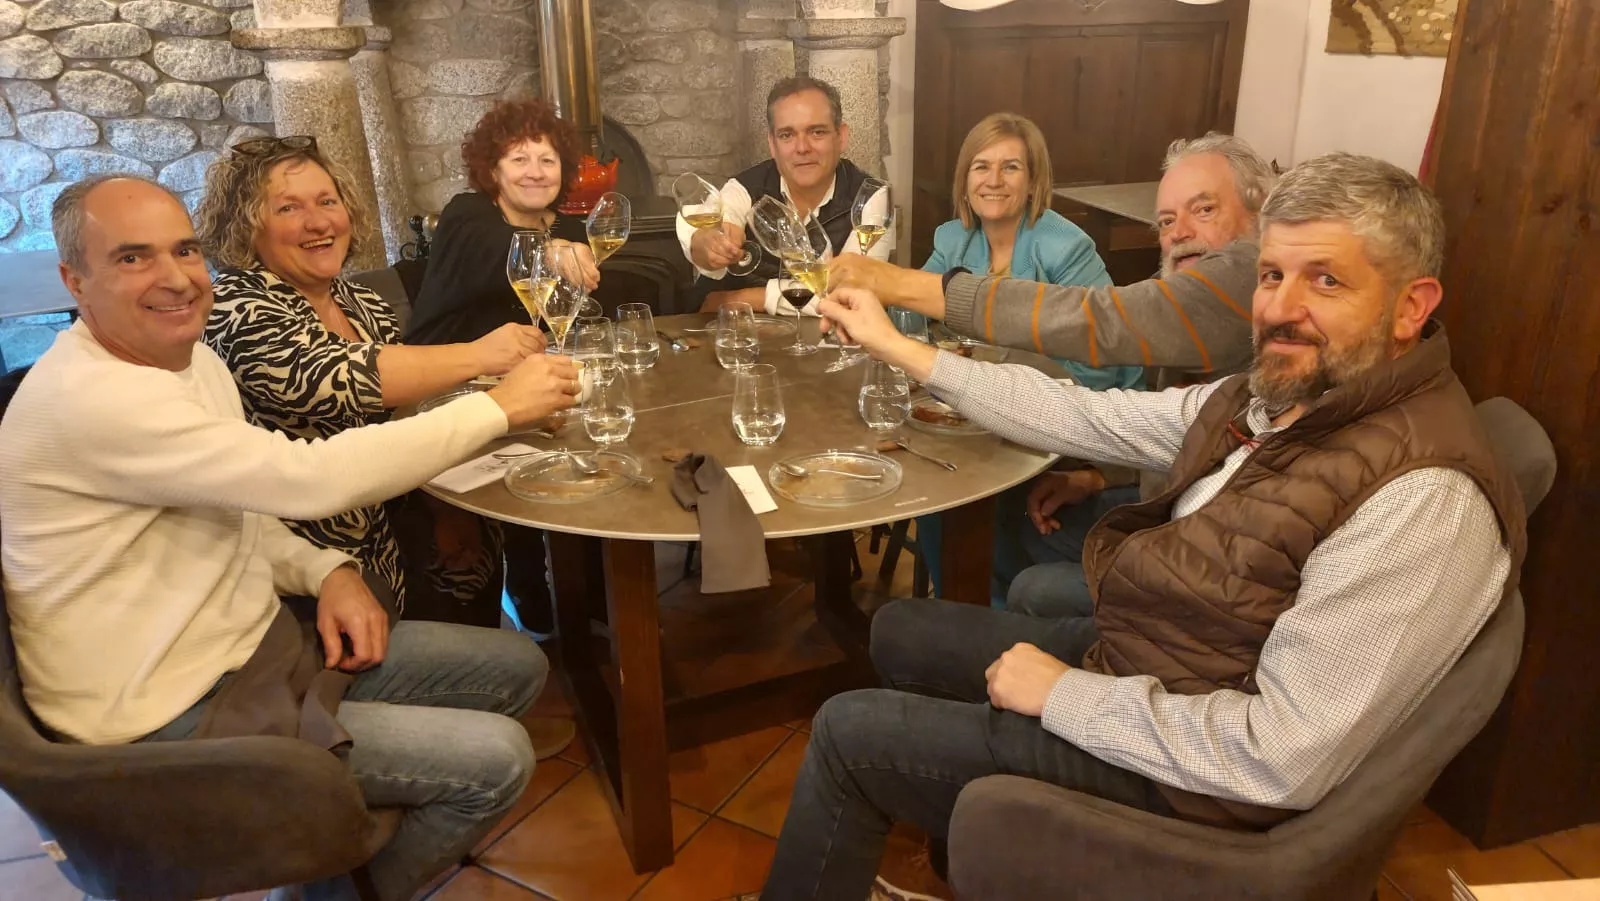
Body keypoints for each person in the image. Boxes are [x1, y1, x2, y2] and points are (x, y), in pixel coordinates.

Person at [760, 153, 1527, 901]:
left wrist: (1064, 695)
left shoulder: (1421, 496)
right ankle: (975, 852)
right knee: (900, 629)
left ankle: (952, 816)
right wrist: (900, 347)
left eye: (1325, 279)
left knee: (846, 731)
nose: (1280, 307)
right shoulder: (1281, 403)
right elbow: (1087, 413)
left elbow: (1282, 759)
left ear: (1412, 306)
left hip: (1185, 778)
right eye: (1270, 275)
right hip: (1161, 661)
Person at [0, 174, 580, 901]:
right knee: (497, 761)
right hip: (159, 711)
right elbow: (309, 477)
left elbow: (239, 505)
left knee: (517, 667)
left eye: (183, 250)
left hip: (252, 647)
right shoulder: (92, 399)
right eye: (132, 257)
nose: (176, 278)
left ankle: (318, 844)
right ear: (73, 279)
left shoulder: (189, 360)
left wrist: (325, 570)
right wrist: (498, 407)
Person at [195, 135, 546, 620]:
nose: (318, 222)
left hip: (395, 521)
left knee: (480, 552)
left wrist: (445, 507)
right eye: (288, 208)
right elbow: (331, 374)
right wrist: (481, 356)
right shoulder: (235, 303)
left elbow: (403, 416)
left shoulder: (361, 302)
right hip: (310, 560)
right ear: (246, 227)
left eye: (327, 202)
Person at [909, 111, 1143, 602]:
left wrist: (988, 378)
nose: (993, 180)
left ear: (1033, 181)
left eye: (1010, 167)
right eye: (981, 166)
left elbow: (1099, 360)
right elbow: (907, 309)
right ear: (964, 179)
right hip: (988, 409)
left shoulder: (1064, 247)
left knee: (957, 483)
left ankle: (993, 607)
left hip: (1078, 414)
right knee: (932, 479)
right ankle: (961, 601)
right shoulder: (954, 239)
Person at [404, 97, 599, 637]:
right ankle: (530, 593)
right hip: (444, 385)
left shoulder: (569, 228)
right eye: (519, 159)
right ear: (493, 170)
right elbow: (497, 248)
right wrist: (553, 250)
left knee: (592, 446)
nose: (535, 172)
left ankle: (595, 599)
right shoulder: (469, 215)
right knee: (527, 462)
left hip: (525, 385)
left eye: (547, 160)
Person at [676, 76, 896, 314]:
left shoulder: (872, 197)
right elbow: (703, 225)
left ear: (841, 137)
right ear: (772, 144)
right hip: (739, 336)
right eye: (787, 135)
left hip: (825, 341)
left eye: (817, 132)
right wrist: (704, 244)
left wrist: (748, 298)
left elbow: (855, 295)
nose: (802, 148)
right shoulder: (744, 188)